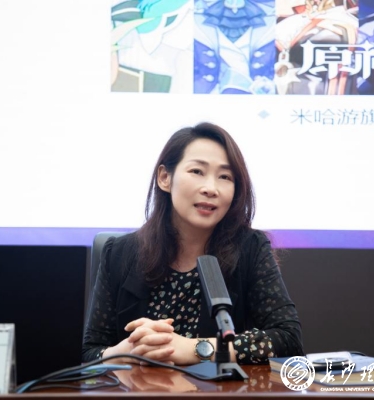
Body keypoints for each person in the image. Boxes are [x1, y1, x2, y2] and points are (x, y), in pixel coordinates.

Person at [82, 122, 303, 365]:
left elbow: (288, 339)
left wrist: (197, 348)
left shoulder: (250, 248)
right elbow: (89, 354)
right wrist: (126, 352)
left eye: (225, 177)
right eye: (197, 171)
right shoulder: (119, 254)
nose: (211, 188)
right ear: (165, 178)